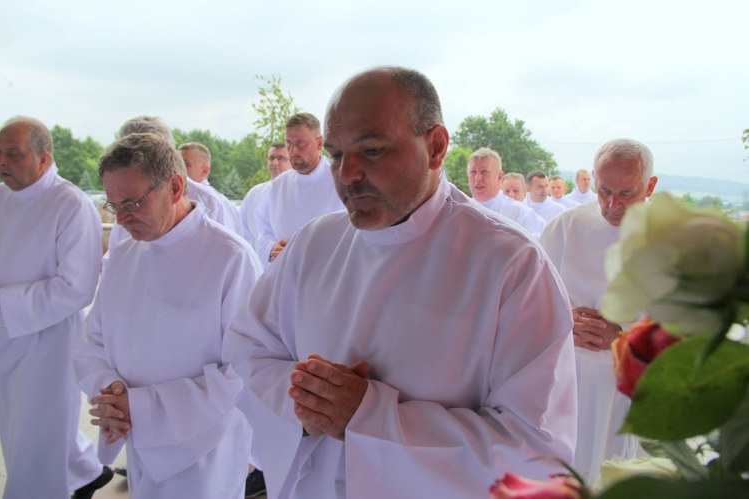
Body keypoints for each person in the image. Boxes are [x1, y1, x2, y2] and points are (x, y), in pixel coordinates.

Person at [225, 66, 577, 498]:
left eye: (371, 150)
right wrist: (304, 404)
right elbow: (247, 349)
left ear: (436, 147)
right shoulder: (314, 244)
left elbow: (537, 452)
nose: (348, 174)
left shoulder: (511, 264)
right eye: (336, 155)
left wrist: (369, 416)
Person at [74, 132, 263, 498]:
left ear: (175, 187)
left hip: (202, 450)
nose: (123, 219)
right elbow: (92, 340)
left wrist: (142, 407)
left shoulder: (229, 258)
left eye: (131, 203)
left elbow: (242, 372)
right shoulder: (125, 255)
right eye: (114, 206)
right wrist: (111, 394)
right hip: (137, 436)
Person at [0, 116, 112, 498]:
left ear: (43, 159)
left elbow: (77, 288)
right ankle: (85, 473)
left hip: (47, 342)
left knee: (35, 438)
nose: (2, 162)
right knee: (16, 430)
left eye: (12, 154)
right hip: (6, 335)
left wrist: (4, 305)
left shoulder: (71, 204)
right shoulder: (2, 197)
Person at [540, 138, 658, 484]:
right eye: (604, 190)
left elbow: (685, 331)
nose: (612, 204)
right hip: (562, 382)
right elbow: (528, 302)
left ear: (650, 186)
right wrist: (563, 320)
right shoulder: (564, 227)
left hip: (622, 388)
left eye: (627, 193)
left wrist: (622, 336)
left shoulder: (670, 241)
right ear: (592, 178)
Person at [105, 117, 242, 260]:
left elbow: (223, 256)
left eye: (141, 153)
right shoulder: (123, 209)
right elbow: (116, 258)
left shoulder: (212, 204)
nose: (122, 219)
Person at [254, 113, 344, 265]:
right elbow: (263, 230)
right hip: (285, 273)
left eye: (300, 144)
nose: (293, 151)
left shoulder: (340, 180)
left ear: (319, 143)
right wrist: (271, 248)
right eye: (289, 143)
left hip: (327, 271)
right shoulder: (278, 184)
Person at [466, 148, 546, 238]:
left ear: (499, 177)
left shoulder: (521, 214)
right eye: (473, 172)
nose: (478, 178)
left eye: (484, 172)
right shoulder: (460, 211)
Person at [240, 143, 292, 249]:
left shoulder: (297, 192)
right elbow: (242, 231)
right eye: (271, 158)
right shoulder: (254, 194)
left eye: (281, 158)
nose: (275, 163)